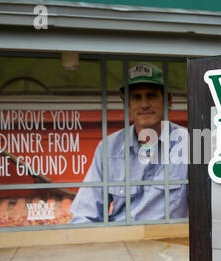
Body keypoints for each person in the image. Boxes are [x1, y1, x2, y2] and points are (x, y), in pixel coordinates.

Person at [70, 62, 188, 223]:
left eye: (151, 95)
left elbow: (209, 207)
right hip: (121, 241)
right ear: (126, 103)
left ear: (168, 100)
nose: (144, 104)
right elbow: (84, 215)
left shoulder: (188, 144)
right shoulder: (108, 148)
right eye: (136, 97)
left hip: (173, 242)